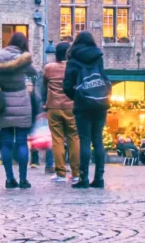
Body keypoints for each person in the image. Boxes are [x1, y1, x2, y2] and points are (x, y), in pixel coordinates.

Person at [0, 31, 38, 189]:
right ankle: (23, 180)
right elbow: (33, 73)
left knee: (6, 143)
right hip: (21, 100)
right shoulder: (23, 58)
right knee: (22, 142)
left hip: (3, 103)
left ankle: (9, 179)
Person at [63, 30, 110, 189]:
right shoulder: (98, 57)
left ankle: (83, 178)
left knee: (84, 140)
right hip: (100, 102)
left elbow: (67, 86)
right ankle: (99, 178)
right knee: (98, 139)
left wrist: (77, 96)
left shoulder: (73, 59)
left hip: (82, 104)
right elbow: (102, 77)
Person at [43, 40, 81, 184]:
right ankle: (76, 173)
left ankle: (60, 173)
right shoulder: (74, 67)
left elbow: (45, 84)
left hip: (54, 106)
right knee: (74, 138)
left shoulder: (49, 68)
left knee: (57, 140)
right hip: (71, 106)